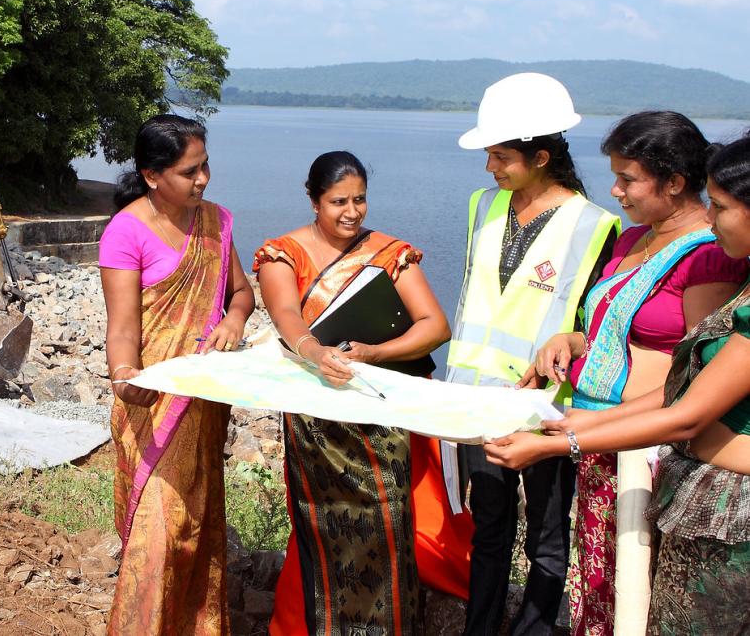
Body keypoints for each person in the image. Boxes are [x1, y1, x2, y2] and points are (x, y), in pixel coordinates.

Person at [484, 132, 750, 634]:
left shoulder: (707, 257)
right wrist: (574, 340)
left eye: (627, 179)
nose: (615, 192)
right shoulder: (636, 239)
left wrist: (565, 439)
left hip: (650, 453)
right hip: (607, 437)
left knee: (637, 591)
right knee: (603, 581)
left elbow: (688, 390)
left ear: (674, 183)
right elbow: (637, 336)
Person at [254, 151, 457, 634]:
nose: (352, 212)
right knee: (323, 523)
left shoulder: (390, 253)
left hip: (379, 415)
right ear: (313, 199)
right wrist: (312, 350)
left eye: (360, 199)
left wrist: (375, 352)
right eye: (338, 201)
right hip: (316, 419)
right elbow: (286, 316)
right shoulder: (283, 254)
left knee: (388, 524)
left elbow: (435, 326)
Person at [446, 72, 620, 635]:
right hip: (476, 401)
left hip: (546, 407)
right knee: (489, 527)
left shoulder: (595, 226)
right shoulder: (482, 206)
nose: (490, 168)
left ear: (540, 156)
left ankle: (536, 628)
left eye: (500, 156)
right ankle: (481, 627)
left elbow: (598, 327)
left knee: (548, 534)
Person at [99, 114, 254, 635]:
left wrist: (232, 322)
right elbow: (122, 329)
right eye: (190, 171)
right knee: (157, 534)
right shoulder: (126, 232)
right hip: (153, 402)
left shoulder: (215, 221)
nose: (203, 179)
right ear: (151, 175)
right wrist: (126, 376)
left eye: (205, 165)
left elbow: (241, 293)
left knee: (198, 524)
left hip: (205, 400)